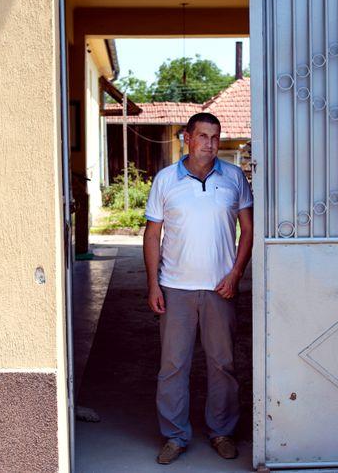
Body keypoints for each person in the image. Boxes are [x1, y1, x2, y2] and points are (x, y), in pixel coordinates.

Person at [143, 112, 254, 465]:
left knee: (223, 364)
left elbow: (248, 231)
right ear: (187, 138)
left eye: (215, 137)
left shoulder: (234, 177)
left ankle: (221, 431)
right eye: (203, 136)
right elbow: (152, 234)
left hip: (219, 289)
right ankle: (175, 436)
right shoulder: (165, 180)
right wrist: (152, 285)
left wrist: (236, 274)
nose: (210, 143)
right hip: (175, 288)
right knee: (173, 366)